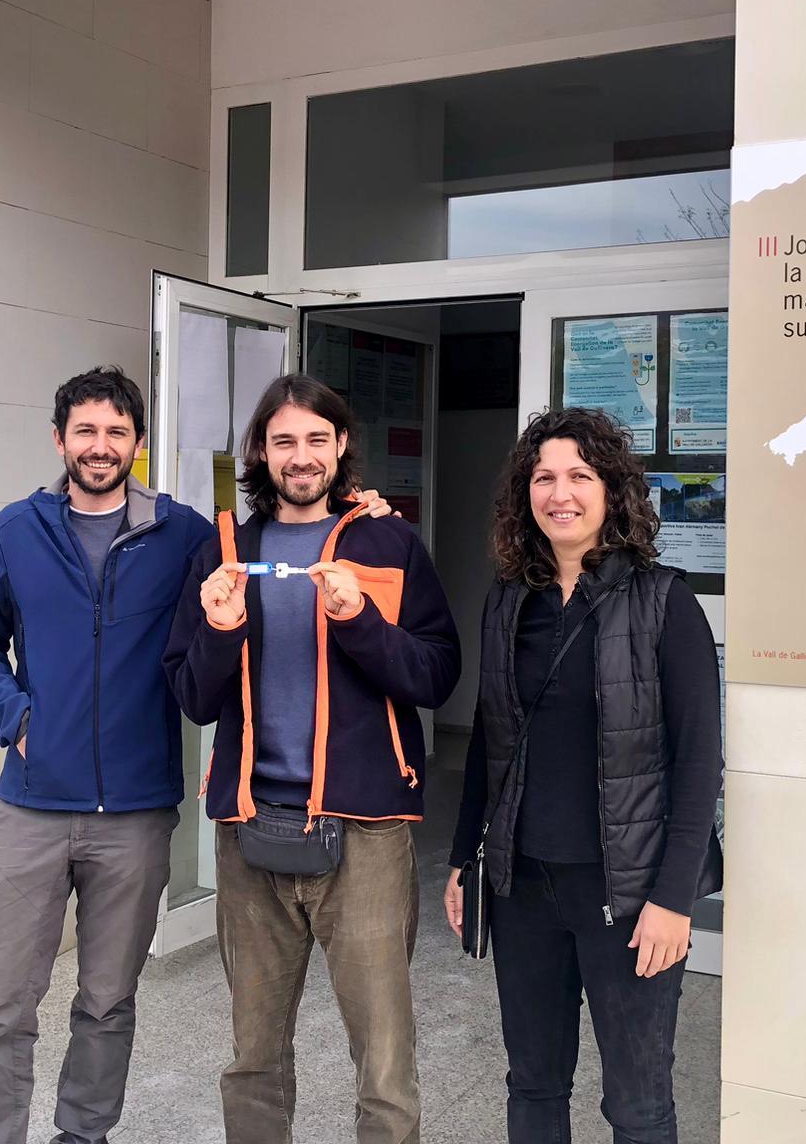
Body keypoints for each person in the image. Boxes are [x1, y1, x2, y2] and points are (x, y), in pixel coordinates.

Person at [164, 373, 462, 1144]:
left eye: (317, 440)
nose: (301, 457)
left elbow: (435, 675)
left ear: (341, 448)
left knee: (385, 1066)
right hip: (250, 829)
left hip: (365, 832)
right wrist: (223, 629)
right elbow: (193, 696)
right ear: (261, 451)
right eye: (284, 440)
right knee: (254, 1058)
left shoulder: (386, 541)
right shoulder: (223, 547)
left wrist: (360, 621)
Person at [444, 407, 723, 1144]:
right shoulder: (510, 600)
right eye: (543, 477)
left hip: (628, 896)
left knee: (637, 1105)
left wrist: (673, 900)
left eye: (578, 475)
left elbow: (698, 765)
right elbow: (488, 740)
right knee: (534, 1086)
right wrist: (461, 857)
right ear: (524, 494)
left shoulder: (665, 603)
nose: (559, 493)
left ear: (611, 490)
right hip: (525, 888)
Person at [0, 366, 213, 1144]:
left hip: (133, 816)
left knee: (107, 1003)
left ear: (138, 444)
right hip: (30, 806)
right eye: (86, 431)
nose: (101, 447)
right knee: (1, 1008)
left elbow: (262, 543)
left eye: (117, 434)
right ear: (60, 438)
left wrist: (360, 509)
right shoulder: (14, 531)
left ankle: (83, 1135)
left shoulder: (184, 535)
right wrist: (15, 717)